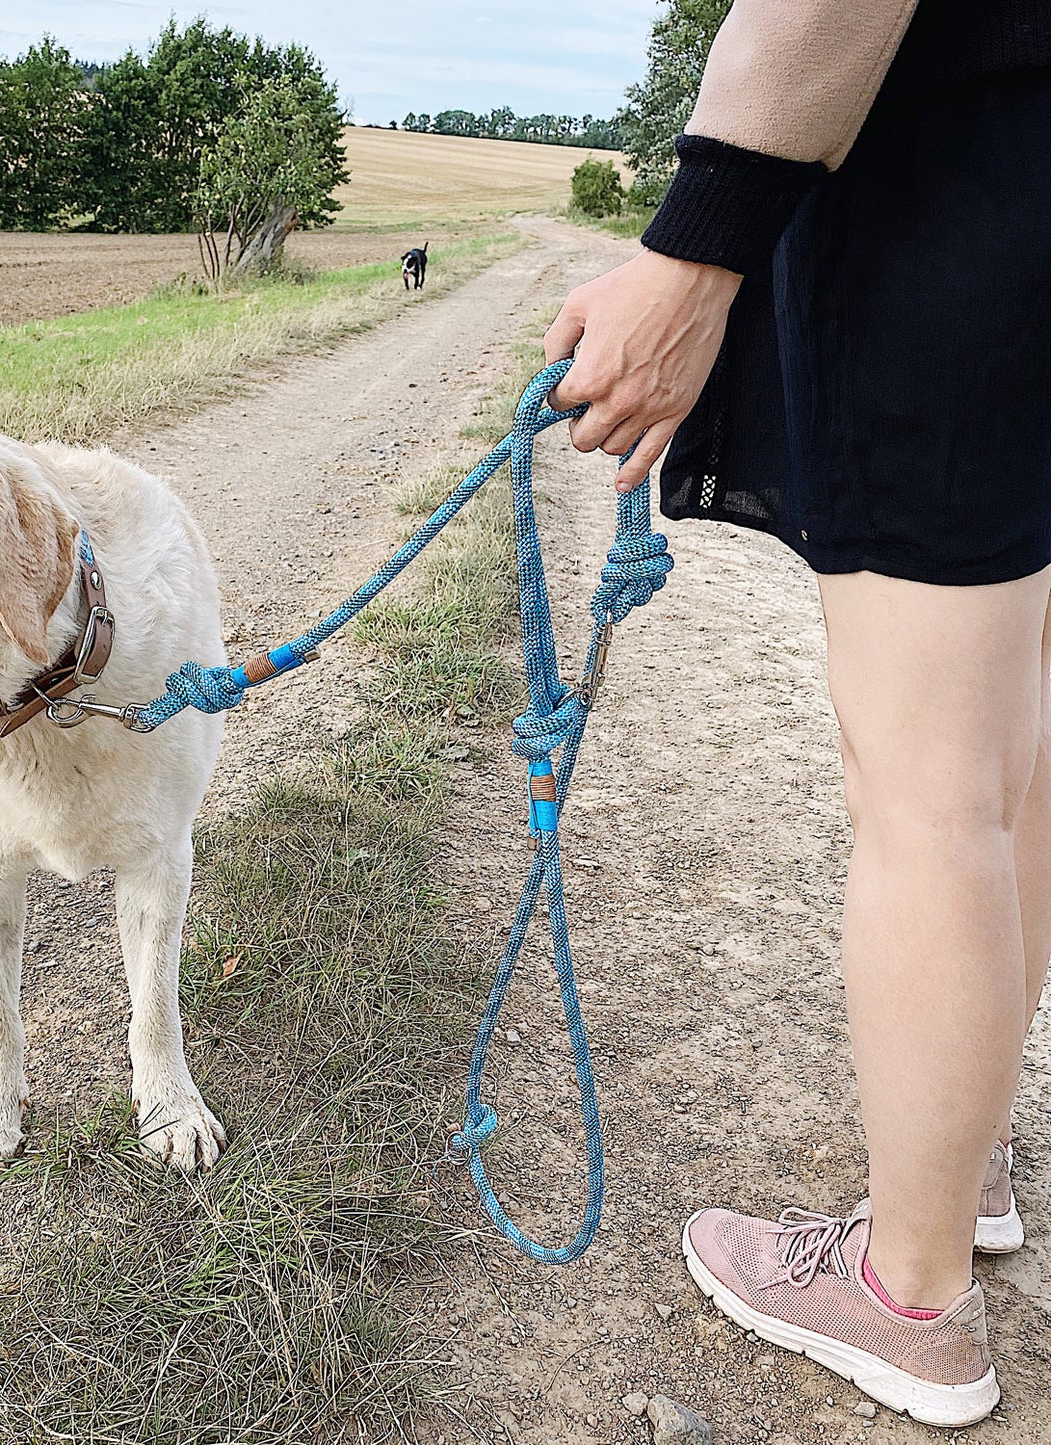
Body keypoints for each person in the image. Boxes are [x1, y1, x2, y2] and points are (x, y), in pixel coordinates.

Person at [543, 0, 1051, 1428]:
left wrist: (694, 245)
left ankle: (909, 1297)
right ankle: (957, 1178)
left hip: (947, 182)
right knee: (1011, 750)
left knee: (930, 788)